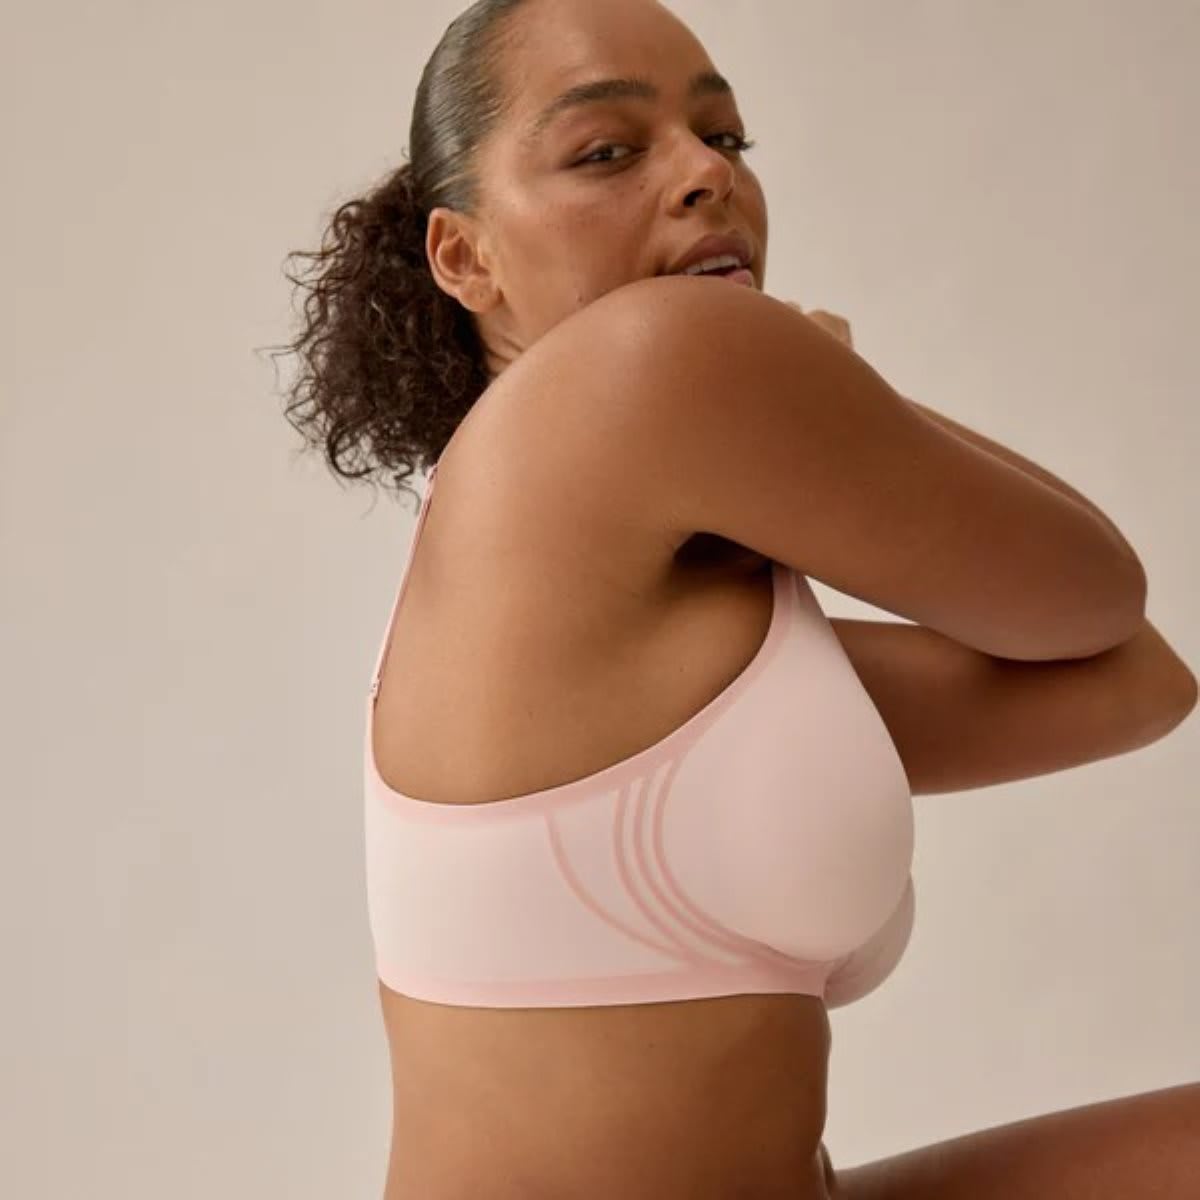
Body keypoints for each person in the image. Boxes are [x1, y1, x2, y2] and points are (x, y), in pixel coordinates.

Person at [272, 1, 1199, 1196]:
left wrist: (819, 399)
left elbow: (1137, 680)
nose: (708, 174)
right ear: (464, 257)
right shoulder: (647, 360)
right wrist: (826, 379)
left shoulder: (593, 564)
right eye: (608, 150)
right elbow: (1100, 594)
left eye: (725, 138)